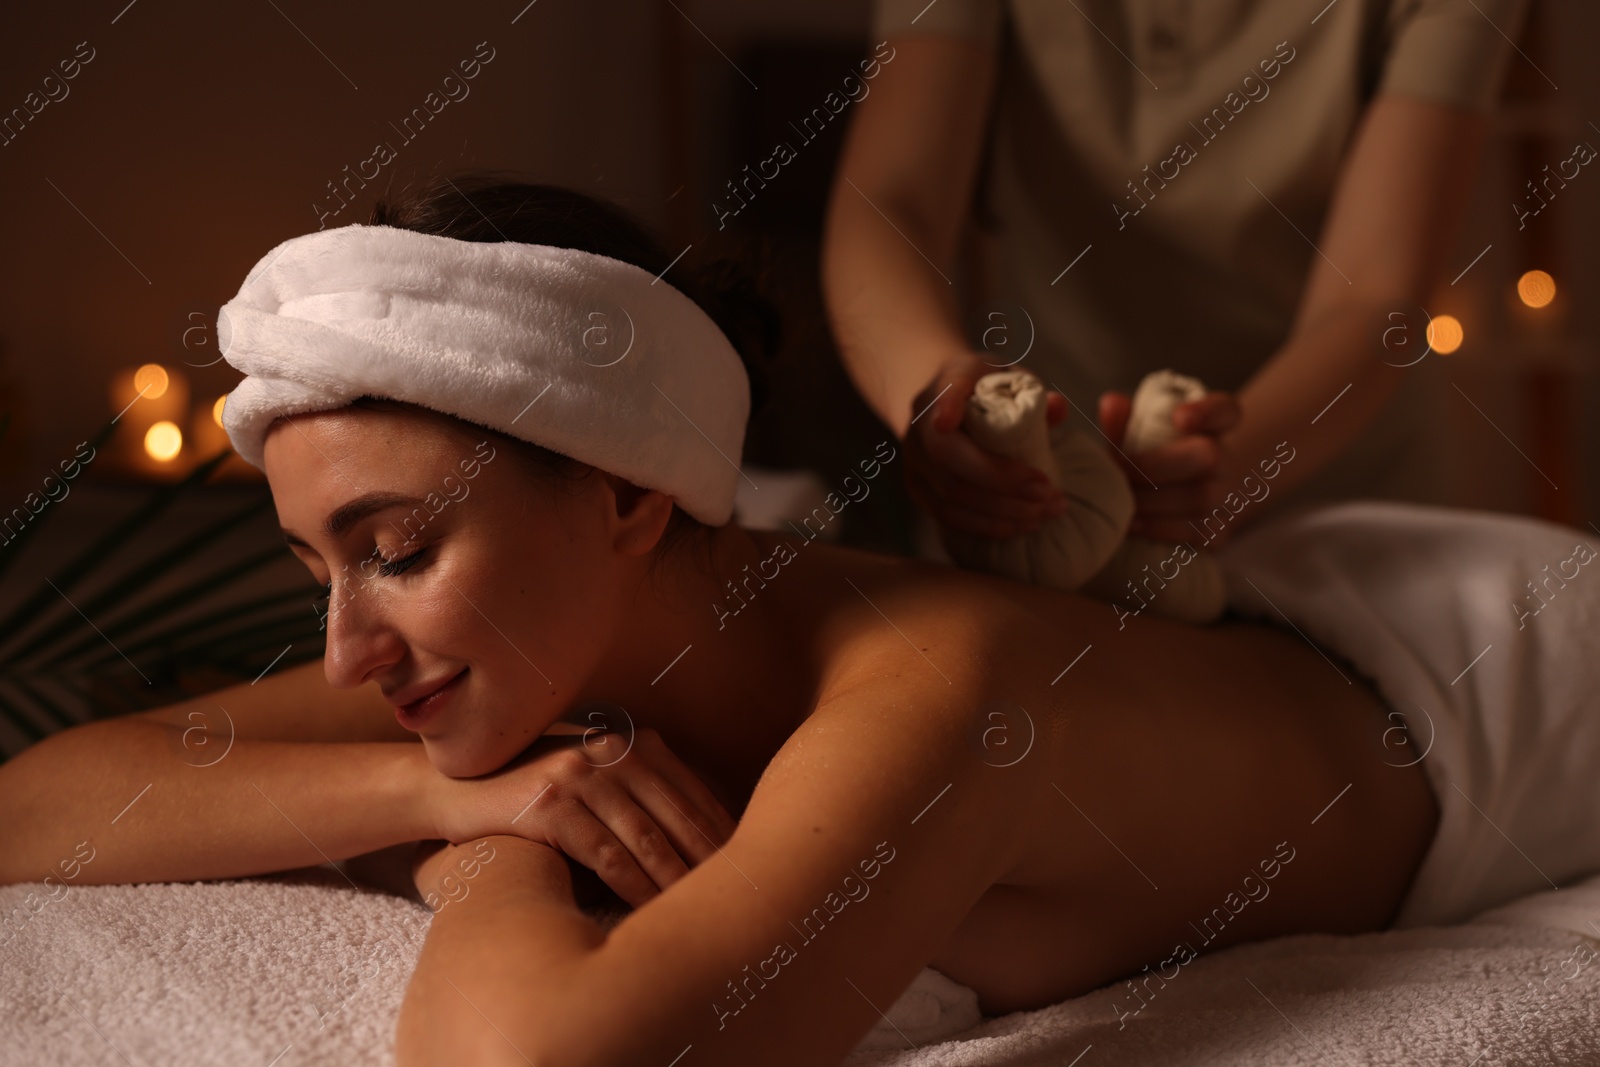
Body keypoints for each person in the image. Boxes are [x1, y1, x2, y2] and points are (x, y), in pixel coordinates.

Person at [7, 174, 1589, 1067]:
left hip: (1497, 672)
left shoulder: (933, 693)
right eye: (315, 565)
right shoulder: (543, 643)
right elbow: (36, 796)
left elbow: (544, 1063)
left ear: (629, 497)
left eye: (399, 546)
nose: (350, 647)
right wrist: (442, 783)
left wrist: (486, 849)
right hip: (1255, 633)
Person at [821, 0, 1531, 549]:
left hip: (1341, 501)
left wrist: (1232, 460)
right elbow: (891, 205)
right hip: (1038, 504)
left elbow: (1374, 294)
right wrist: (933, 389)